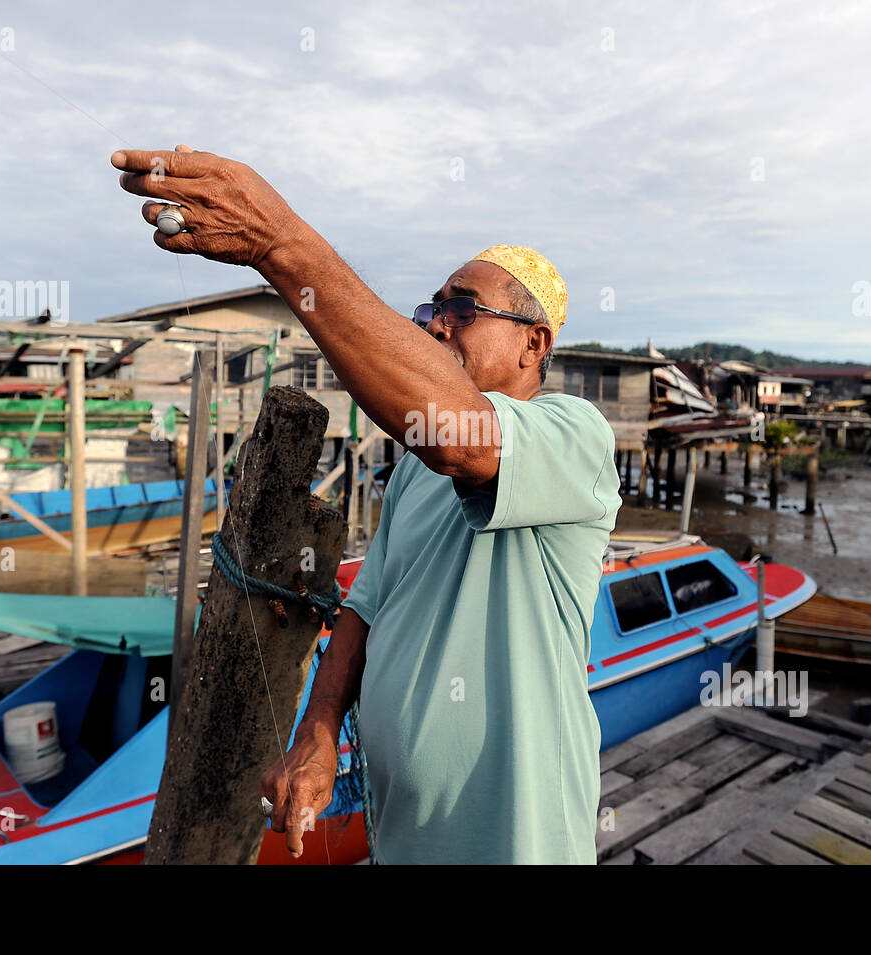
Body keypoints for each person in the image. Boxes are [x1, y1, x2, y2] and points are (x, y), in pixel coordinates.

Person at [112, 146, 621, 864]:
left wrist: (280, 242)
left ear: (534, 343)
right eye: (431, 309)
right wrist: (317, 731)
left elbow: (462, 439)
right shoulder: (415, 471)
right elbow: (366, 608)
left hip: (518, 839)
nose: (436, 325)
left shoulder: (577, 437)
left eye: (462, 310)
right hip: (401, 835)